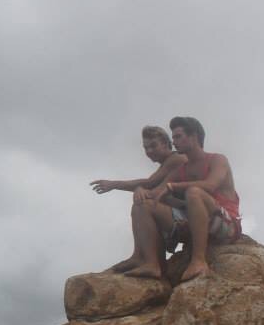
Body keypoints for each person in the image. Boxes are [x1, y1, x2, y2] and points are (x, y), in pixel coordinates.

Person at [116, 116, 241, 281]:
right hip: (195, 224)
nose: (174, 142)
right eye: (173, 137)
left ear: (193, 136)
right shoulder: (182, 169)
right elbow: (156, 192)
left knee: (194, 193)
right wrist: (140, 190)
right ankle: (152, 264)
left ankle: (198, 261)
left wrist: (174, 186)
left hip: (225, 224)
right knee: (143, 205)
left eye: (178, 137)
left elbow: (210, 185)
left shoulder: (217, 160)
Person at [90, 126, 186, 195]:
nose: (149, 151)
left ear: (165, 144)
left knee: (143, 204)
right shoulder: (165, 165)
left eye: (153, 146)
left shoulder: (176, 158)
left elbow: (149, 183)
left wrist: (113, 184)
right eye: (146, 148)